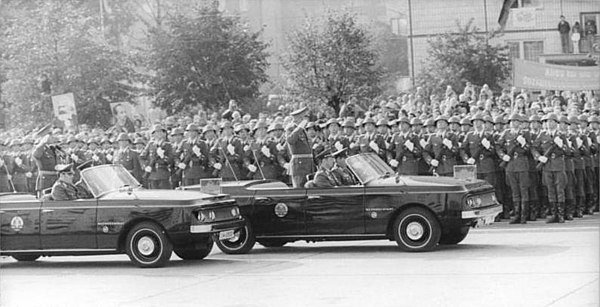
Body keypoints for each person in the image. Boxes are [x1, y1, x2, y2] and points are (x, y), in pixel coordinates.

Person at [286, 107, 315, 188]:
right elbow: (290, 140)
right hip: (299, 165)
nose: (306, 120)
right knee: (300, 189)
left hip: (308, 164)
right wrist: (299, 128)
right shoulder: (291, 128)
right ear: (298, 118)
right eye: (303, 117)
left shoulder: (303, 130)